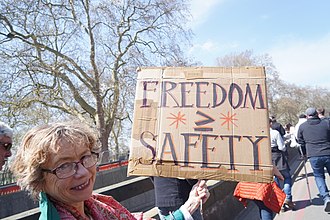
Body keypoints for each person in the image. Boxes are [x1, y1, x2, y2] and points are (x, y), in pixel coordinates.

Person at [11, 121, 210, 220]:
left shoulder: (97, 207)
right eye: (64, 166)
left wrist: (190, 205)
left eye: (85, 158)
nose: (82, 172)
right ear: (38, 179)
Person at [298, 107, 330, 212]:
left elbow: (301, 142)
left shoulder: (302, 127)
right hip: (328, 152)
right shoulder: (326, 123)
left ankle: (326, 197)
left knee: (319, 176)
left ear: (307, 116)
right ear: (317, 114)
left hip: (313, 155)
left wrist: (304, 153)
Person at [269, 119, 294, 211]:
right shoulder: (275, 133)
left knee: (275, 181)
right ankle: (287, 197)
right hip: (278, 157)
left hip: (268, 159)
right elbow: (282, 147)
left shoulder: (262, 134)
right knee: (286, 177)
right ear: (270, 123)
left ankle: (281, 202)